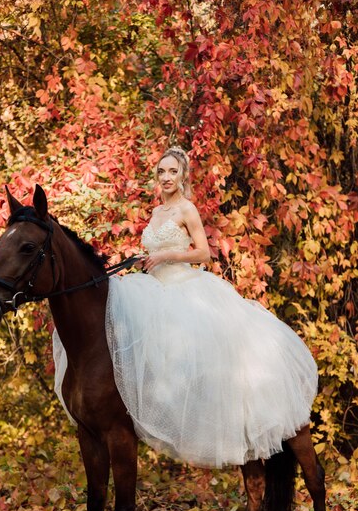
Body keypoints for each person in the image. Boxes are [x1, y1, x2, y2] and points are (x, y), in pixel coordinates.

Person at [57, 147, 318, 468]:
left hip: (184, 286)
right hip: (154, 286)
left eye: (172, 172)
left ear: (182, 176)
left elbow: (204, 254)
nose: (166, 178)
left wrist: (166, 256)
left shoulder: (186, 209)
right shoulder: (155, 213)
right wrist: (145, 259)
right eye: (161, 172)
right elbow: (156, 249)